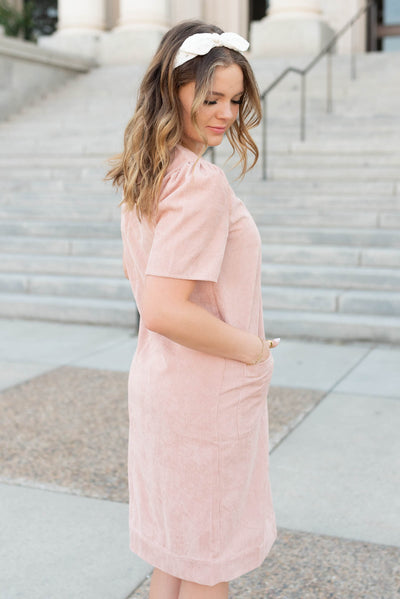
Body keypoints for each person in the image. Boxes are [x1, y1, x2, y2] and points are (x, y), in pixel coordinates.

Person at [105, 19, 280, 599]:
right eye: (211, 98)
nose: (227, 113)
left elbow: (147, 290)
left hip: (163, 385)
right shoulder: (200, 183)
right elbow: (164, 309)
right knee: (207, 563)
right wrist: (253, 349)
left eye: (234, 99)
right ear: (173, 91)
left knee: (175, 553)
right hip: (205, 395)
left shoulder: (146, 176)